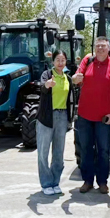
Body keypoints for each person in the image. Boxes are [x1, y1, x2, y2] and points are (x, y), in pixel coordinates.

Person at [72, 37, 110, 194]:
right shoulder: (87, 61)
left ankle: (102, 181)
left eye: (103, 46)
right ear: (95, 48)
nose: (100, 48)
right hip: (85, 115)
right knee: (86, 149)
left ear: (108, 49)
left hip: (104, 117)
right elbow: (76, 77)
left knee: (104, 150)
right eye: (98, 46)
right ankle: (87, 181)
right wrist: (75, 79)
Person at [36, 50, 74, 195]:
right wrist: (47, 85)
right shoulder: (47, 75)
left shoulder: (68, 78)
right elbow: (42, 89)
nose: (60, 63)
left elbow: (71, 98)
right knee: (43, 152)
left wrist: (70, 118)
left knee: (59, 152)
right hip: (47, 116)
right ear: (53, 62)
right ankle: (46, 183)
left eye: (63, 60)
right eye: (57, 60)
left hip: (62, 116)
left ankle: (55, 182)